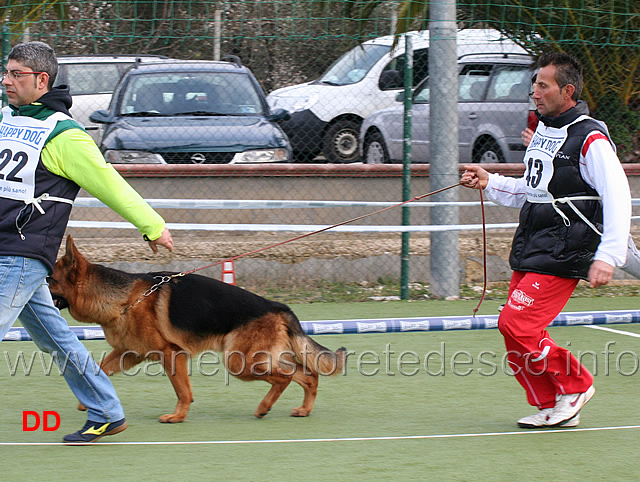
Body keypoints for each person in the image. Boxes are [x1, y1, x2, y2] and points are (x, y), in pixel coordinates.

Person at [0, 41, 174, 443]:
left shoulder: (66, 136)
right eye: (6, 72)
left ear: (42, 80)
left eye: (15, 74)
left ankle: (107, 412)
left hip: (21, 255)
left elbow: (109, 183)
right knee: (57, 341)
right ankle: (107, 413)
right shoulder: (8, 118)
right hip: (8, 251)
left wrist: (151, 225)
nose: (6, 80)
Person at [461, 52, 631, 428]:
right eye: (534, 84)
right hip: (533, 244)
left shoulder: (591, 138)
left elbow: (618, 194)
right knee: (514, 328)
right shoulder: (544, 132)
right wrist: (491, 181)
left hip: (565, 249)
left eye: (543, 85)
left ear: (567, 91)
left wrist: (608, 255)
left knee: (516, 324)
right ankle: (553, 403)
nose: (534, 92)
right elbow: (532, 189)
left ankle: (576, 384)